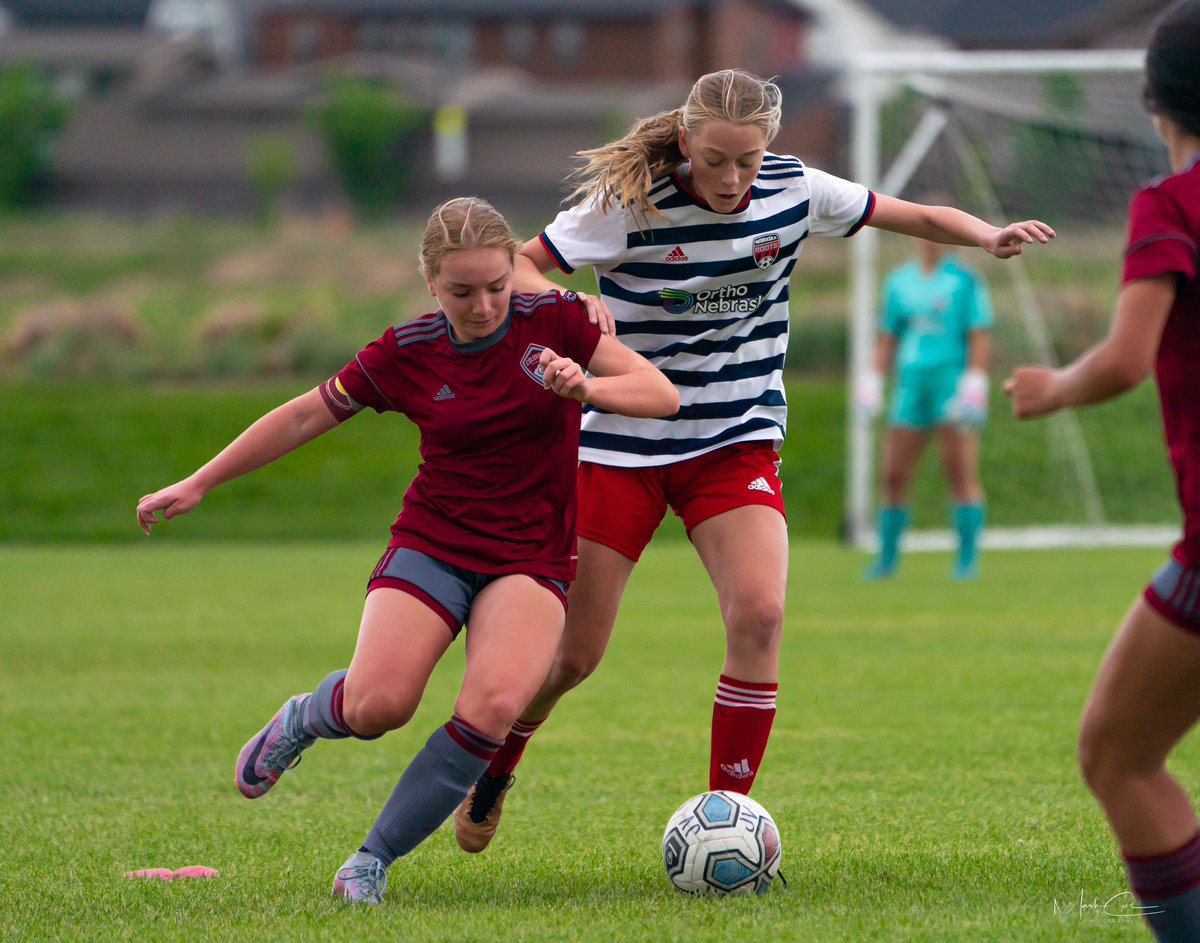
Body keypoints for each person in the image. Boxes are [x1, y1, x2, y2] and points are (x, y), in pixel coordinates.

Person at [452, 68, 1054, 854]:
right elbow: (524, 262)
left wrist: (983, 234)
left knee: (761, 614)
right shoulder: (626, 204)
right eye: (714, 160)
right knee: (574, 654)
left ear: (769, 144)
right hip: (620, 442)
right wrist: (574, 304)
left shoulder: (794, 188)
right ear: (686, 141)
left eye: (748, 158)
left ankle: (726, 823)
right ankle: (498, 765)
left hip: (734, 435)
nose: (733, 177)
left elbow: (905, 213)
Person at [134, 197, 678, 905]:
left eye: (496, 286)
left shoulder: (558, 321)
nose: (483, 305)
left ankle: (371, 860)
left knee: (494, 705)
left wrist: (587, 385)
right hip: (435, 542)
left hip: (530, 556)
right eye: (462, 291)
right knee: (377, 705)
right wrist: (201, 480)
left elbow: (660, 394)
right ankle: (308, 713)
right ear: (430, 283)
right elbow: (305, 413)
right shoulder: (409, 350)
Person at [1006, 5, 1200, 940]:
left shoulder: (1172, 206)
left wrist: (1051, 388)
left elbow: (1126, 359)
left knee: (1119, 756)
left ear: (1152, 96)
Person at [858, 235, 994, 580]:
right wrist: (874, 379)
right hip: (911, 386)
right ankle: (886, 561)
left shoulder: (964, 281)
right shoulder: (899, 281)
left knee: (959, 471)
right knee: (892, 474)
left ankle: (966, 562)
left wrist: (975, 382)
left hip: (949, 384)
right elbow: (889, 335)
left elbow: (978, 333)